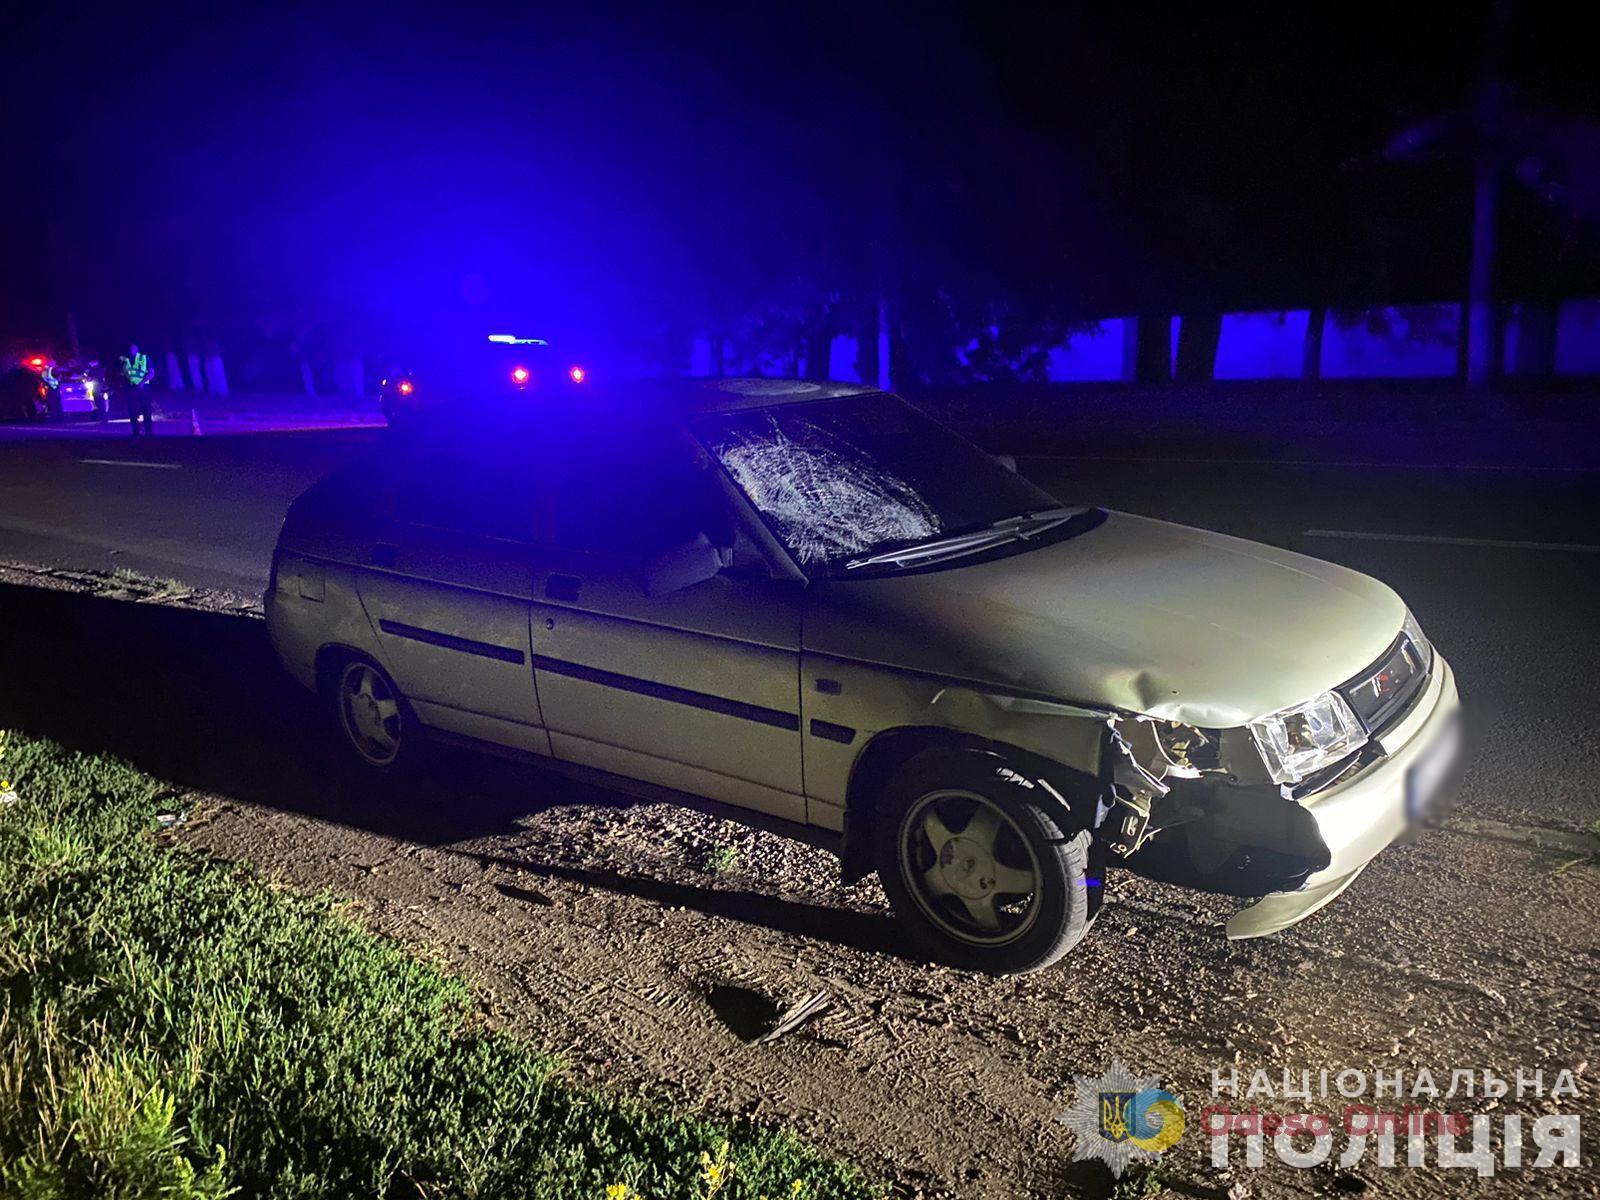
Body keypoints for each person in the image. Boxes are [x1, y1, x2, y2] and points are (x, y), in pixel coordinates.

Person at [118, 343, 154, 435]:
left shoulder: (144, 358)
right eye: (130, 349)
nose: (131, 351)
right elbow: (124, 374)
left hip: (143, 388)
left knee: (146, 409)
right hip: (131, 388)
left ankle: (148, 430)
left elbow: (152, 372)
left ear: (137, 350)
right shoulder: (126, 361)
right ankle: (136, 430)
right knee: (132, 410)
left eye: (133, 349)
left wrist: (143, 382)